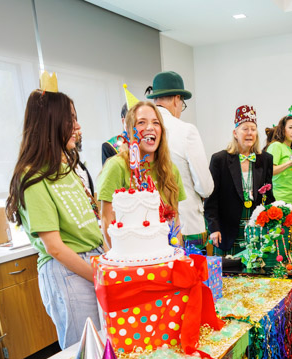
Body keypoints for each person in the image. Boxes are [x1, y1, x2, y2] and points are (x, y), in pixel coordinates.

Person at [6, 87, 104, 349]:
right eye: (70, 119)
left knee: (105, 351)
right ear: (51, 123)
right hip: (69, 271)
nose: (77, 125)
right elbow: (56, 248)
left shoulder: (65, 167)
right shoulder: (33, 177)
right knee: (87, 357)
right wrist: (100, 277)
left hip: (90, 263)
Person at [97, 100, 186, 245]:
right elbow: (107, 219)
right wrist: (122, 259)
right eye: (141, 122)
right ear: (130, 130)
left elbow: (175, 220)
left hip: (165, 254)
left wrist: (178, 253)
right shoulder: (116, 166)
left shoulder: (170, 169)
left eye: (155, 123)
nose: (150, 127)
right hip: (130, 256)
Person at [146, 71, 214, 248]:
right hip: (186, 224)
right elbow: (205, 187)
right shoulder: (186, 130)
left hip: (151, 228)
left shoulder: (141, 130)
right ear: (177, 99)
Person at [205, 105, 275, 255]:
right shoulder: (219, 159)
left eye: (253, 129)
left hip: (256, 230)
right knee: (227, 277)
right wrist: (214, 228)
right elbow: (211, 199)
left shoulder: (266, 159)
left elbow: (269, 196)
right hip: (227, 231)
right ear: (235, 133)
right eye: (245, 129)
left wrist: (273, 223)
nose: (250, 133)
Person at [265, 115, 292, 204]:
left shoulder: (290, 151)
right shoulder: (276, 146)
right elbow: (270, 171)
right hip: (277, 200)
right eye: (290, 127)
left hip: (290, 202)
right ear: (283, 129)